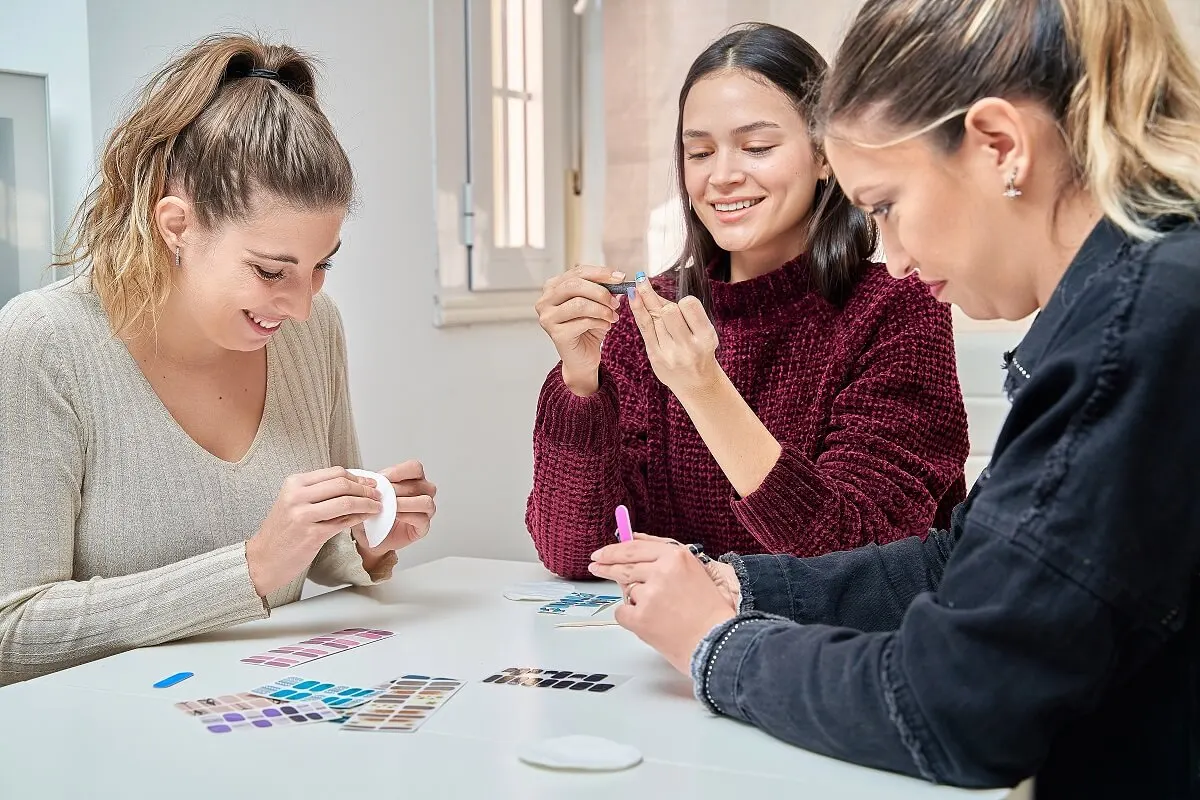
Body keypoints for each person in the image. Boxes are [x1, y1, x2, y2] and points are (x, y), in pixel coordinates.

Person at [590, 1, 1200, 796]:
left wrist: (718, 643)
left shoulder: (1136, 332)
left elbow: (958, 705)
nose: (899, 257)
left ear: (999, 147)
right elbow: (970, 559)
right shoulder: (1140, 297)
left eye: (885, 205)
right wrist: (749, 587)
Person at [0, 34, 437, 685]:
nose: (299, 306)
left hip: (264, 713)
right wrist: (252, 567)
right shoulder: (46, 343)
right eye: (270, 270)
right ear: (177, 226)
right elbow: (14, 631)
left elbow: (316, 556)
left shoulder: (314, 333)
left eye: (321, 266)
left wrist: (366, 538)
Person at [527, 23, 969, 580]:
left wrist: (703, 388)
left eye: (757, 147)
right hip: (671, 652)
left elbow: (861, 560)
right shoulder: (651, 315)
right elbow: (576, 556)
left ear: (824, 154)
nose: (723, 176)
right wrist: (580, 384)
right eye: (700, 152)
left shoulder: (898, 309)